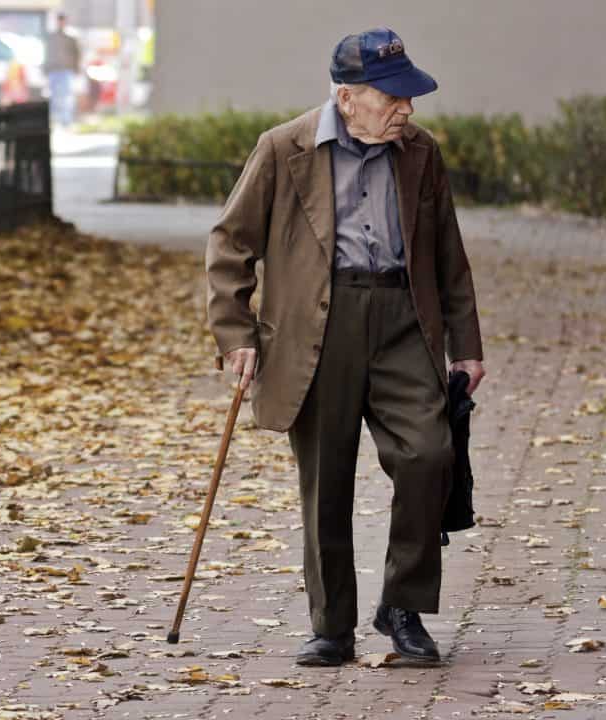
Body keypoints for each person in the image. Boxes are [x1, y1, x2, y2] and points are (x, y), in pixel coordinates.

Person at [204, 28, 485, 667]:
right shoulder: (284, 149)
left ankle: (403, 608)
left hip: (403, 319)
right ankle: (332, 627)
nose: (406, 109)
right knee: (325, 480)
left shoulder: (419, 152)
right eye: (392, 97)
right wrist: (235, 334)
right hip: (315, 326)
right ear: (347, 97)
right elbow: (230, 245)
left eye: (409, 97)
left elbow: (449, 254)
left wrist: (465, 345)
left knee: (428, 454)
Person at [43, 11, 80, 126]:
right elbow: (47, 53)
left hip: (66, 70)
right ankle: (52, 119)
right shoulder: (51, 36)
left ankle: (66, 121)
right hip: (53, 70)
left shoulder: (71, 37)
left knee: (66, 96)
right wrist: (45, 68)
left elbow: (77, 54)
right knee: (53, 96)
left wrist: (76, 68)